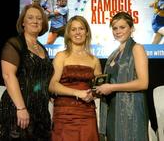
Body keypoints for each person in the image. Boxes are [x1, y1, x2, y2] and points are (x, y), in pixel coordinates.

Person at [0, 4, 53, 141]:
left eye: (39, 18)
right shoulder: (15, 44)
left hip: (40, 112)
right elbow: (8, 76)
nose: (35, 21)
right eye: (30, 17)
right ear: (23, 22)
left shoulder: (42, 49)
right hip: (19, 109)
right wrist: (21, 108)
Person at [96, 12, 149, 141]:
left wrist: (112, 87)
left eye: (122, 27)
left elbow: (143, 83)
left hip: (131, 111)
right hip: (113, 109)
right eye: (115, 28)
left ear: (131, 28)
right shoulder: (113, 54)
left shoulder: (137, 48)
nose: (118, 31)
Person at [49, 15, 102, 141]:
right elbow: (52, 85)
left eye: (81, 29)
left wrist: (93, 94)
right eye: (73, 29)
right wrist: (77, 93)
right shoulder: (61, 56)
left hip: (87, 114)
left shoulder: (94, 60)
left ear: (87, 32)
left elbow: (100, 87)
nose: (77, 32)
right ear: (68, 33)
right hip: (64, 114)